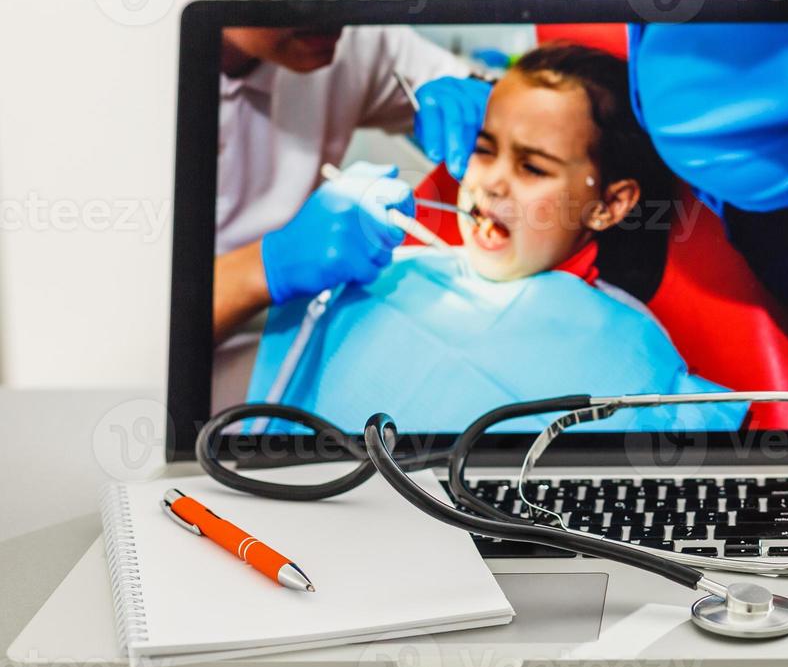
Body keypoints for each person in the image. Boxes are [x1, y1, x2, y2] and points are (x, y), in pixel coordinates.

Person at [246, 43, 741, 434]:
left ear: (610, 204)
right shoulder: (386, 278)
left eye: (531, 166)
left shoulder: (630, 354)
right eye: (484, 150)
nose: (492, 182)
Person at [212, 25, 492, 341]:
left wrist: (486, 96)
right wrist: (264, 268)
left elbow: (496, 94)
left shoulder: (347, 34)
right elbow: (148, 333)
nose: (335, 20)